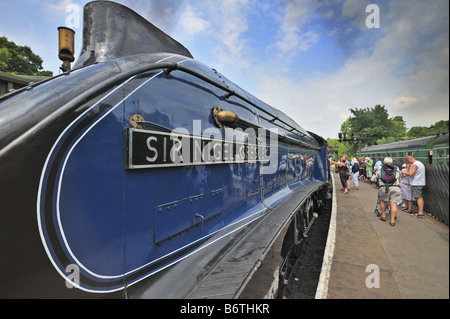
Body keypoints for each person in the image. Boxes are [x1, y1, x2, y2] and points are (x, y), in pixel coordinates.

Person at [376, 157, 401, 226]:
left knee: (383, 201)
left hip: (384, 187)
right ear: (392, 162)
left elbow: (377, 177)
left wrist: (379, 184)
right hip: (395, 187)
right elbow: (399, 177)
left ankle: (383, 215)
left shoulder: (381, 168)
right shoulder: (396, 168)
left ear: (384, 162)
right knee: (393, 204)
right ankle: (392, 220)